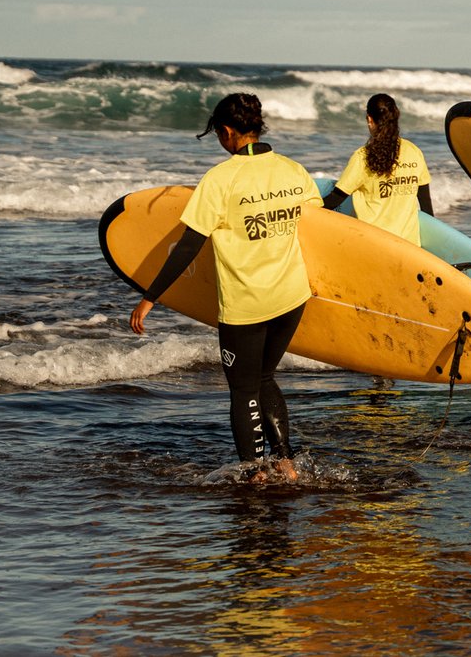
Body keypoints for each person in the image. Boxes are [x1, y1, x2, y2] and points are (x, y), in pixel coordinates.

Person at [129, 92, 322, 482]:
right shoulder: (293, 170)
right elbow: (322, 230)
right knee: (266, 378)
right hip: (292, 296)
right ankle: (286, 463)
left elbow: (188, 245)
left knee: (243, 388)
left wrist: (151, 297)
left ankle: (254, 472)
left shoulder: (220, 179)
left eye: (219, 134)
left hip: (248, 303)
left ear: (229, 132)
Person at [322, 93, 433, 244]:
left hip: (373, 245)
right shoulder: (414, 152)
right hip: (409, 247)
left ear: (369, 119)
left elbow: (335, 199)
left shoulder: (363, 157)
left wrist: (304, 209)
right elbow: (426, 205)